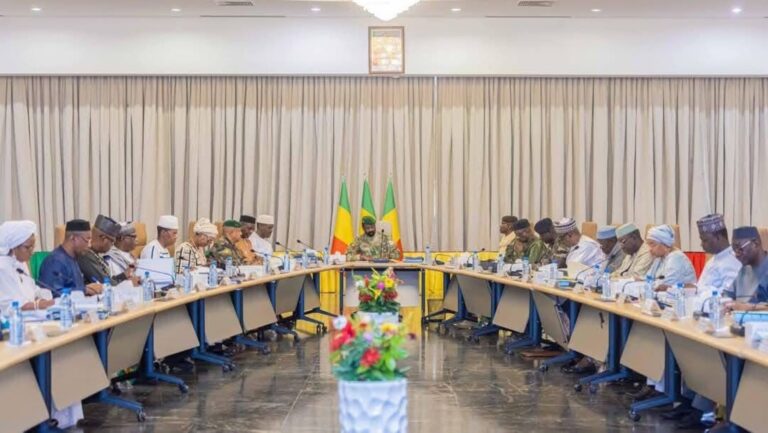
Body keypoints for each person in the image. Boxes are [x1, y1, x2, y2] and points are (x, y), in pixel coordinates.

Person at [671, 214, 741, 429]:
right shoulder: (715, 259)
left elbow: (728, 297)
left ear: (719, 236)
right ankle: (689, 401)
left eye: (705, 239)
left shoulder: (732, 261)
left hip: (717, 321)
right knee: (687, 348)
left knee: (703, 355)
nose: (701, 244)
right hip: (699, 316)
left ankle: (704, 410)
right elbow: (703, 289)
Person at [39, 219, 103, 296]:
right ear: (73, 238)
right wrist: (85, 290)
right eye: (87, 240)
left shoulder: (74, 258)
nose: (89, 245)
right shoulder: (55, 261)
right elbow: (51, 293)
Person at [0, 220, 55, 310]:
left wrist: (44, 299)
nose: (32, 252)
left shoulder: (21, 263)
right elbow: (11, 305)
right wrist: (38, 305)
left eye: (32, 247)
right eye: (27, 247)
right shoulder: (2, 267)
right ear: (13, 246)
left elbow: (33, 290)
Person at [77, 214, 134, 285]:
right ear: (104, 238)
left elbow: (107, 280)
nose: (112, 245)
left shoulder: (93, 254)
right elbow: (106, 284)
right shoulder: (85, 255)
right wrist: (131, 284)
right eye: (112, 241)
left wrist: (124, 275)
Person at [724, 226, 768, 310]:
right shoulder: (741, 271)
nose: (736, 254)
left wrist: (748, 308)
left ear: (755, 243)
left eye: (739, 249)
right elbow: (726, 298)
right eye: (734, 250)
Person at [647, 225, 697, 292]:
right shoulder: (659, 258)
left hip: (681, 299)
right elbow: (648, 279)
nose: (649, 249)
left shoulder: (676, 258)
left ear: (664, 243)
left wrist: (649, 284)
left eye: (652, 244)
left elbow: (664, 286)